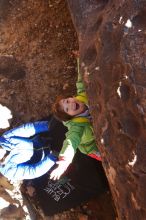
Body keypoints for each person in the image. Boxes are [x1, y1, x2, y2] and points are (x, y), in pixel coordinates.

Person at [50, 57, 101, 181]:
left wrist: (80, 58)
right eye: (68, 109)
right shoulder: (77, 126)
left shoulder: (82, 95)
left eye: (67, 101)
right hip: (90, 146)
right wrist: (64, 160)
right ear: (71, 116)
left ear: (72, 97)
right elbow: (71, 142)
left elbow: (81, 79)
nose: (71, 104)